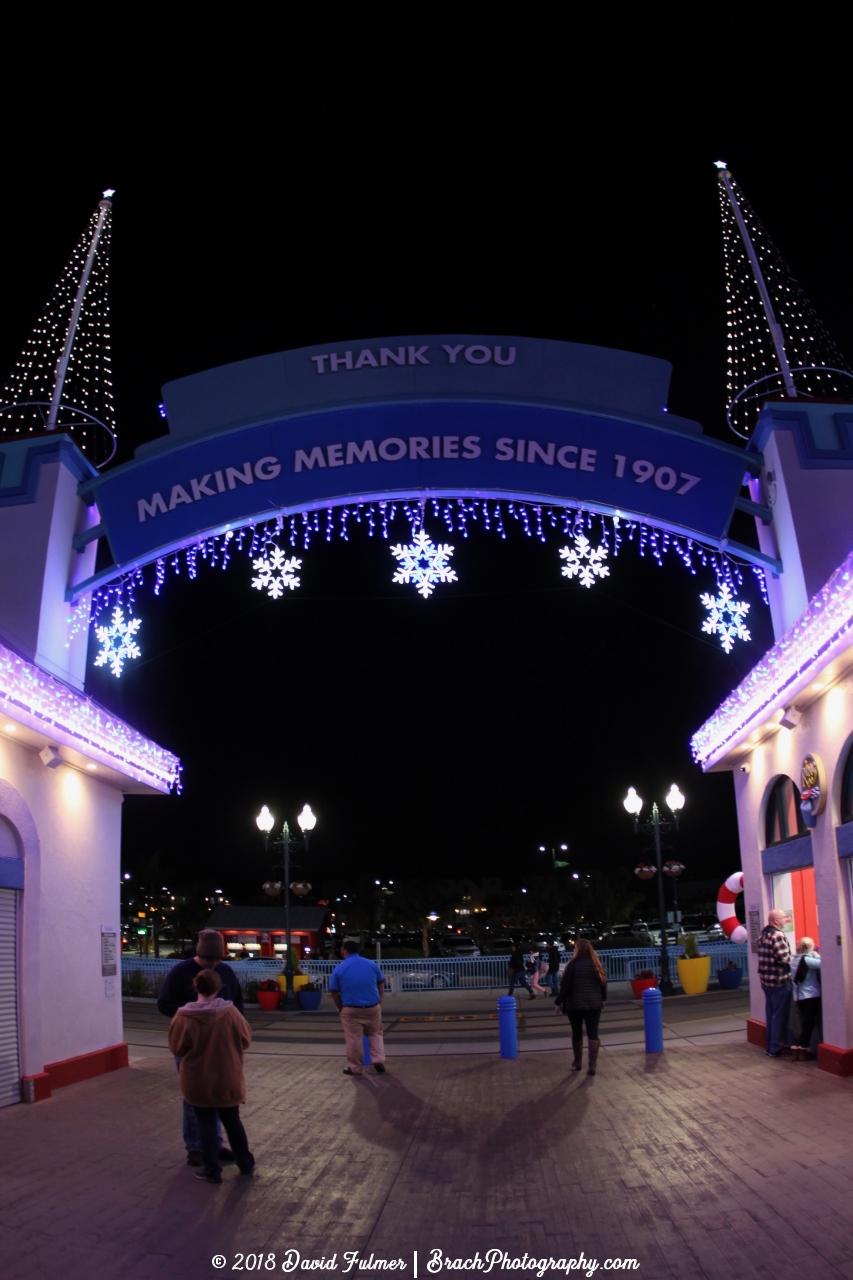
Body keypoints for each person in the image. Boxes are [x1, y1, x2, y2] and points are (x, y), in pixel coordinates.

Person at [157, 928, 245, 1166]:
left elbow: (237, 1003)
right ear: (199, 954)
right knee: (193, 1097)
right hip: (192, 1048)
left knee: (217, 1095)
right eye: (209, 959)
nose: (214, 963)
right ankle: (196, 1147)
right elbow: (164, 1003)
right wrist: (188, 1021)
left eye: (218, 958)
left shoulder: (225, 972)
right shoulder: (181, 972)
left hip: (220, 1048)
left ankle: (214, 1146)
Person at [168, 969, 255, 1184]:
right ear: (218, 988)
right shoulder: (231, 1012)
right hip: (228, 1077)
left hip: (198, 1080)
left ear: (195, 987)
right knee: (233, 1121)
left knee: (205, 1124)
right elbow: (245, 1040)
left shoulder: (183, 1016)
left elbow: (177, 1047)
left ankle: (212, 1170)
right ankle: (245, 1163)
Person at [329, 940, 387, 1075]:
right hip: (372, 1007)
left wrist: (340, 1008)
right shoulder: (371, 964)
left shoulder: (339, 968)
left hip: (350, 1009)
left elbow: (333, 991)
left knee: (354, 1039)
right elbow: (380, 984)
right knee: (375, 1033)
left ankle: (355, 1068)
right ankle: (378, 1060)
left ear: (344, 951)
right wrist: (379, 1002)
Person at [557, 938, 607, 1075]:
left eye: (575, 947)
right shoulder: (596, 964)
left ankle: (578, 1061)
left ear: (579, 950)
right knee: (593, 1033)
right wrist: (603, 998)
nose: (573, 950)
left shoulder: (572, 965)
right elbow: (603, 983)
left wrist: (558, 1002)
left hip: (575, 1004)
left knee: (577, 1033)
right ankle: (592, 1065)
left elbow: (565, 987)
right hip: (594, 1004)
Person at [757, 908, 792, 1057]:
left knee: (771, 1014)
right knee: (779, 1016)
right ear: (776, 921)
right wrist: (797, 958)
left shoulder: (762, 935)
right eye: (784, 917)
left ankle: (770, 1046)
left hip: (766, 982)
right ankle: (775, 1047)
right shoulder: (777, 936)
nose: (786, 920)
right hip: (779, 982)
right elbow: (783, 959)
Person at [790, 936, 821, 1061]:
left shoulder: (793, 960)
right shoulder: (808, 960)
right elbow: (823, 964)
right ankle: (803, 1049)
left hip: (798, 997)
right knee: (809, 1024)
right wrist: (816, 955)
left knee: (805, 1023)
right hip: (811, 996)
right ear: (809, 948)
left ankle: (797, 1050)